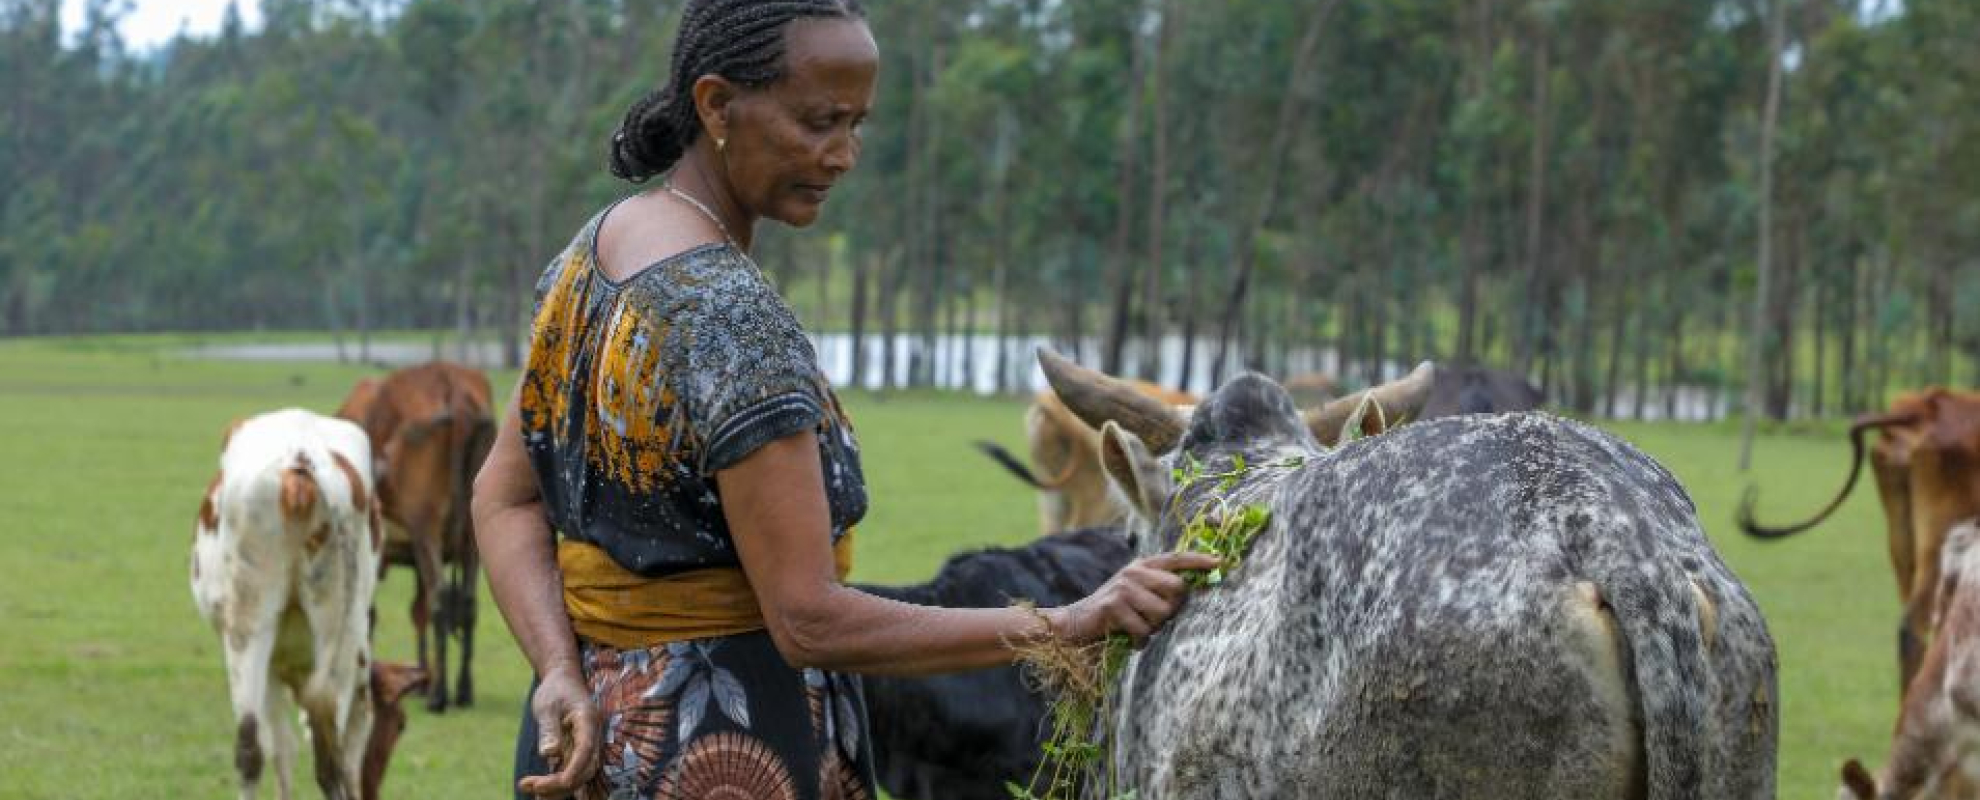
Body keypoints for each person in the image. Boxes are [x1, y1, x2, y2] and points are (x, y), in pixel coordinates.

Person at [470, 2, 1219, 798]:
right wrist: (1067, 621)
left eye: (857, 124)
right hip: (726, 751)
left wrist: (557, 666)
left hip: (578, 736)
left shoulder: (593, 255)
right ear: (717, 104)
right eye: (820, 121)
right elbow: (807, 620)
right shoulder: (733, 317)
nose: (844, 155)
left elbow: (503, 496)